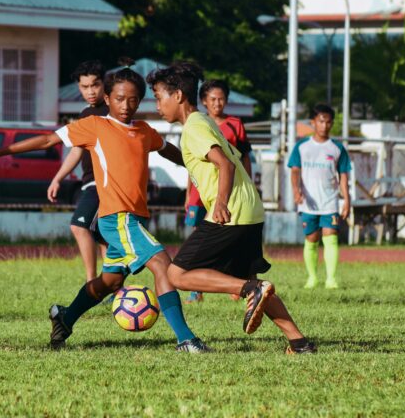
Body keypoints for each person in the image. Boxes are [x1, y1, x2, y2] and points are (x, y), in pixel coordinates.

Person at [0, 60, 209, 353]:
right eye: (119, 98)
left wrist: (203, 162)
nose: (126, 105)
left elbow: (172, 152)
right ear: (107, 98)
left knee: (109, 281)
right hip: (117, 219)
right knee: (162, 265)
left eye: (133, 99)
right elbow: (47, 140)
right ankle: (185, 339)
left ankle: (65, 317)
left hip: (134, 219)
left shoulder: (144, 131)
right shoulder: (95, 126)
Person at [148, 61, 317, 354]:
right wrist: (163, 148)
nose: (157, 104)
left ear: (177, 96)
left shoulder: (194, 128)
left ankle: (249, 291)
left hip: (231, 212)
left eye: (158, 96)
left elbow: (223, 164)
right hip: (250, 211)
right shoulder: (205, 122)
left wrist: (221, 203)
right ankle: (298, 342)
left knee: (176, 274)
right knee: (254, 283)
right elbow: (211, 158)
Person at [184, 79, 253, 304]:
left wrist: (249, 185)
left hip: (225, 192)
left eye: (221, 98)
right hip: (199, 193)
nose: (217, 103)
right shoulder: (198, 124)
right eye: (212, 99)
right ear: (204, 101)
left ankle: (236, 283)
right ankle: (197, 289)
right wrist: (188, 194)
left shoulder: (234, 124)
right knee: (198, 238)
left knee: (229, 237)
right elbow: (192, 164)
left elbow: (243, 158)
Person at [47, 60, 109, 282]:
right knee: (103, 236)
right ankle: (110, 286)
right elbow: (76, 151)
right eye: (85, 87)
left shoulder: (114, 111)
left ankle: (91, 283)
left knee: (79, 226)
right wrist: (57, 179)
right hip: (90, 183)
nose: (90, 91)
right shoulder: (84, 113)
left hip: (104, 184)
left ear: (104, 84)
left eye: (95, 85)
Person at [287, 104, 351, 290]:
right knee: (312, 238)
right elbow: (295, 171)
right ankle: (312, 278)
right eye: (321, 121)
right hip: (308, 203)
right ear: (313, 122)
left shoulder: (337, 148)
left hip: (330, 201)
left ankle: (331, 280)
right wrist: (296, 191)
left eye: (328, 122)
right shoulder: (302, 146)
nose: (325, 125)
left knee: (331, 237)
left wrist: (346, 200)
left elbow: (344, 176)